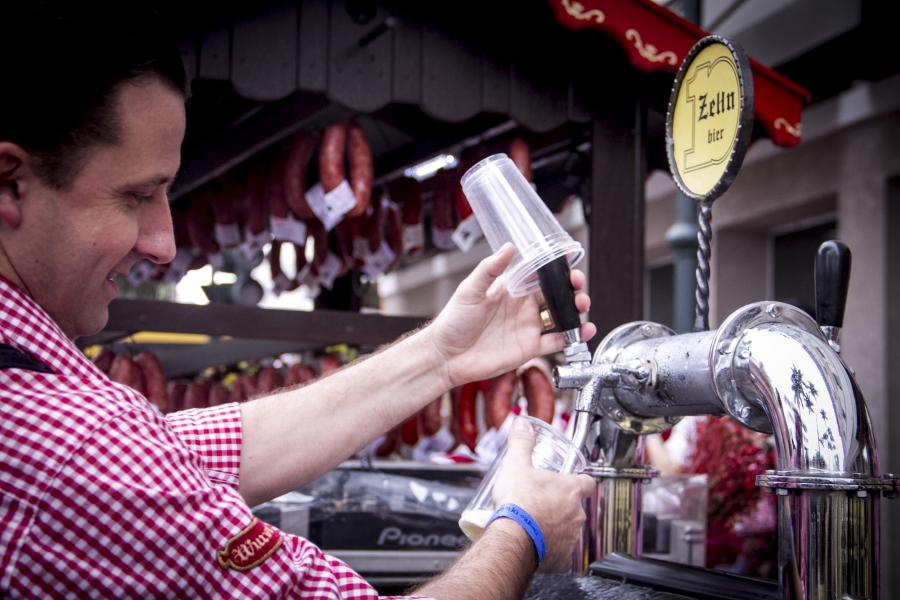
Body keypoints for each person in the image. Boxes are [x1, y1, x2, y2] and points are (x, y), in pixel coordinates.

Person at [0, 2, 597, 598]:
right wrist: (523, 529)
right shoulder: (69, 449)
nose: (164, 245)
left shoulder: (51, 419)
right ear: (10, 183)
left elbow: (191, 451)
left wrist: (441, 354)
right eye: (134, 197)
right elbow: (113, 461)